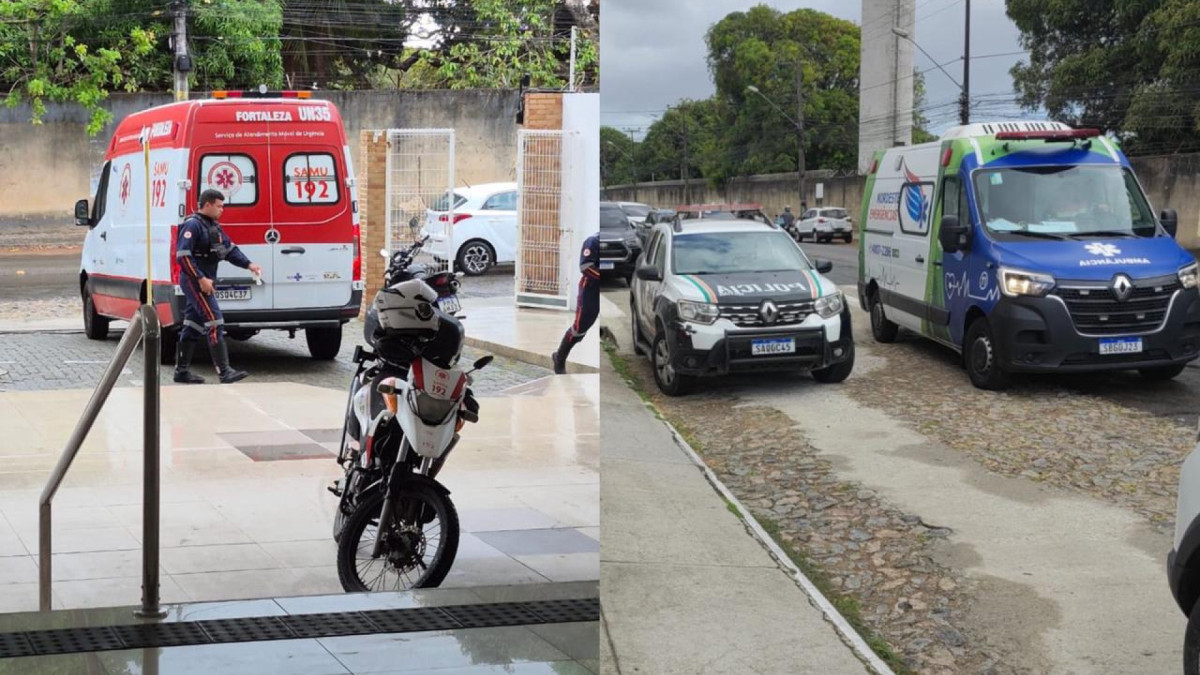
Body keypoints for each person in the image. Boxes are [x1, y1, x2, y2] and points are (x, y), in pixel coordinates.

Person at [174, 189, 263, 384]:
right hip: (194, 281)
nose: (222, 210)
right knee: (214, 321)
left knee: (192, 325)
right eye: (219, 206)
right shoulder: (193, 225)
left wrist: (249, 264)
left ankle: (181, 371)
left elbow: (229, 250)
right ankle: (224, 372)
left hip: (206, 280)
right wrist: (200, 278)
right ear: (207, 205)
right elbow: (183, 256)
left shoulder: (213, 226)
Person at [551, 232, 600, 375]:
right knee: (579, 328)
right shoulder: (592, 242)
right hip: (590, 290)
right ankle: (559, 357)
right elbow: (585, 266)